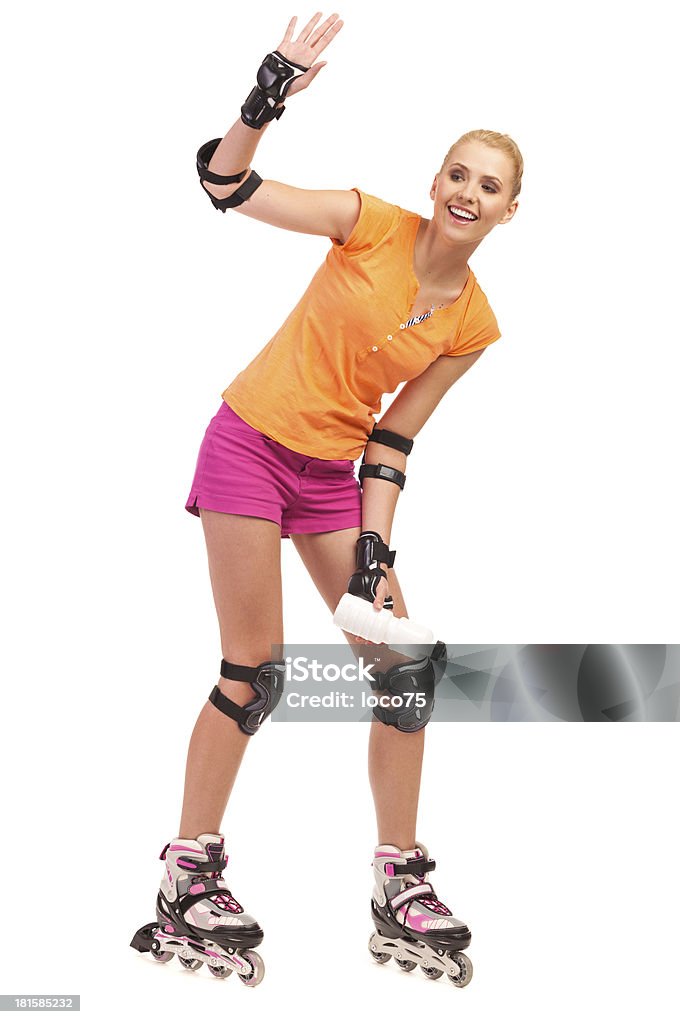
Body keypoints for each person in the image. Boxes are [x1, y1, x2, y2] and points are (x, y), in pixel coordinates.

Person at [131, 11, 522, 988]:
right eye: (459, 174)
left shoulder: (472, 323)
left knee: (402, 668)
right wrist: (262, 97)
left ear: (509, 209)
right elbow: (227, 185)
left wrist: (375, 551)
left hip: (328, 480)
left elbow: (392, 438)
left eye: (491, 184)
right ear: (436, 184)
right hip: (248, 448)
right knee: (253, 671)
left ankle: (399, 879)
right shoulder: (367, 220)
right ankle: (189, 871)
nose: (468, 192)